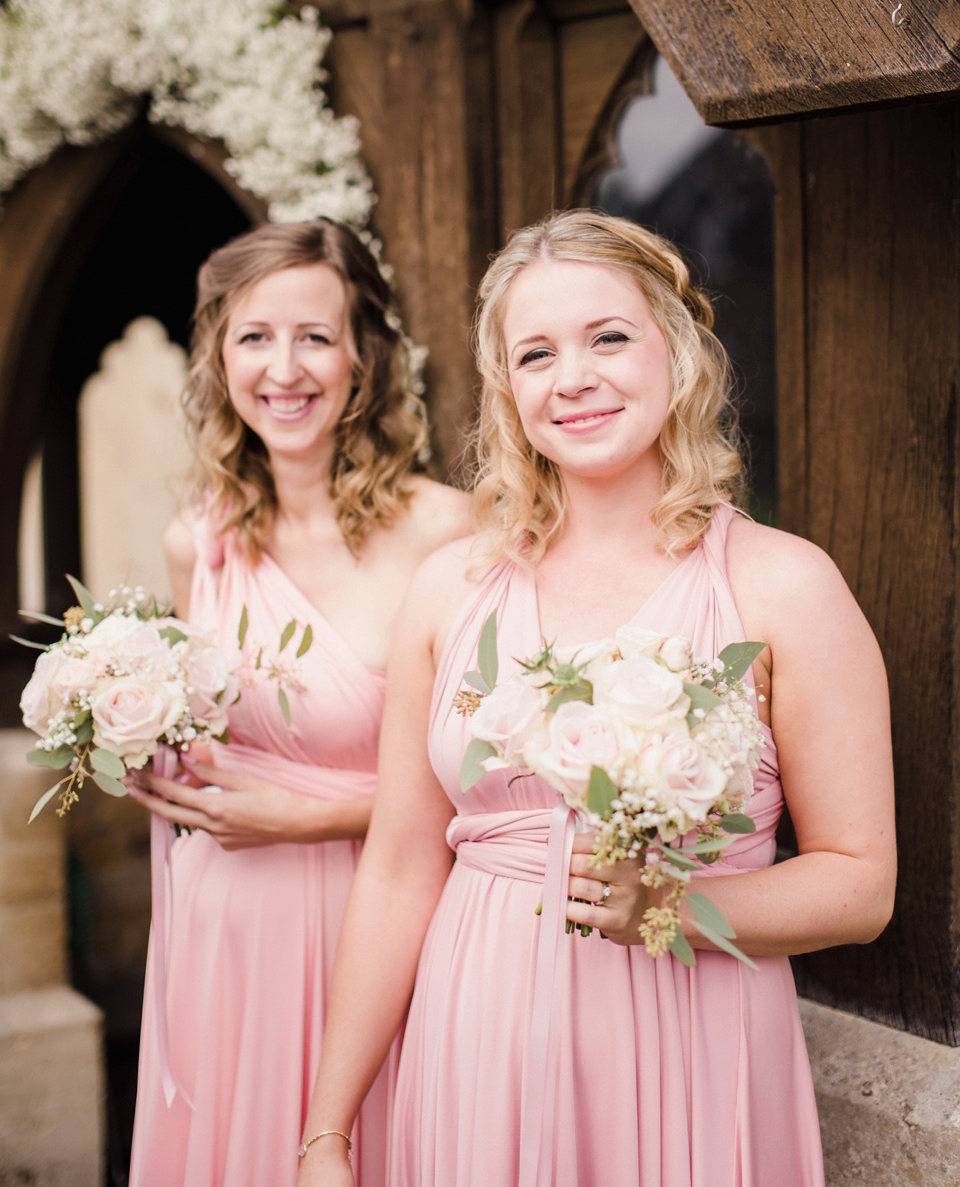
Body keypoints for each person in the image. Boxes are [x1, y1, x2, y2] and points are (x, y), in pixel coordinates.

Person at [298, 207, 896, 1187]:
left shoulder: (785, 585)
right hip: (476, 1041)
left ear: (678, 352)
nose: (572, 377)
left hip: (691, 1044)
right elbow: (400, 870)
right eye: (536, 353)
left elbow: (860, 885)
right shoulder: (449, 591)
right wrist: (327, 1129)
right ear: (508, 391)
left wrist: (674, 904)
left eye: (607, 337)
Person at [126, 219, 473, 1187]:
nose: (286, 367)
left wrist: (310, 813)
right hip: (227, 932)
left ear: (364, 356)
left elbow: (497, 781)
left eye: (315, 336)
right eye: (254, 337)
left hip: (385, 923)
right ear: (219, 359)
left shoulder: (448, 532)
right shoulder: (198, 541)